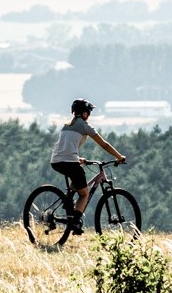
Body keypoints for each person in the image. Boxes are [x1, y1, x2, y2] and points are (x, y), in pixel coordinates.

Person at [50, 98, 126, 234]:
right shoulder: (85, 126)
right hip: (69, 162)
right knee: (84, 194)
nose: (89, 116)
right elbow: (104, 144)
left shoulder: (66, 126)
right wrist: (119, 157)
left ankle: (68, 204)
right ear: (85, 114)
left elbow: (64, 148)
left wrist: (78, 159)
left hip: (56, 161)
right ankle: (75, 223)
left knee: (77, 184)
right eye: (89, 113)